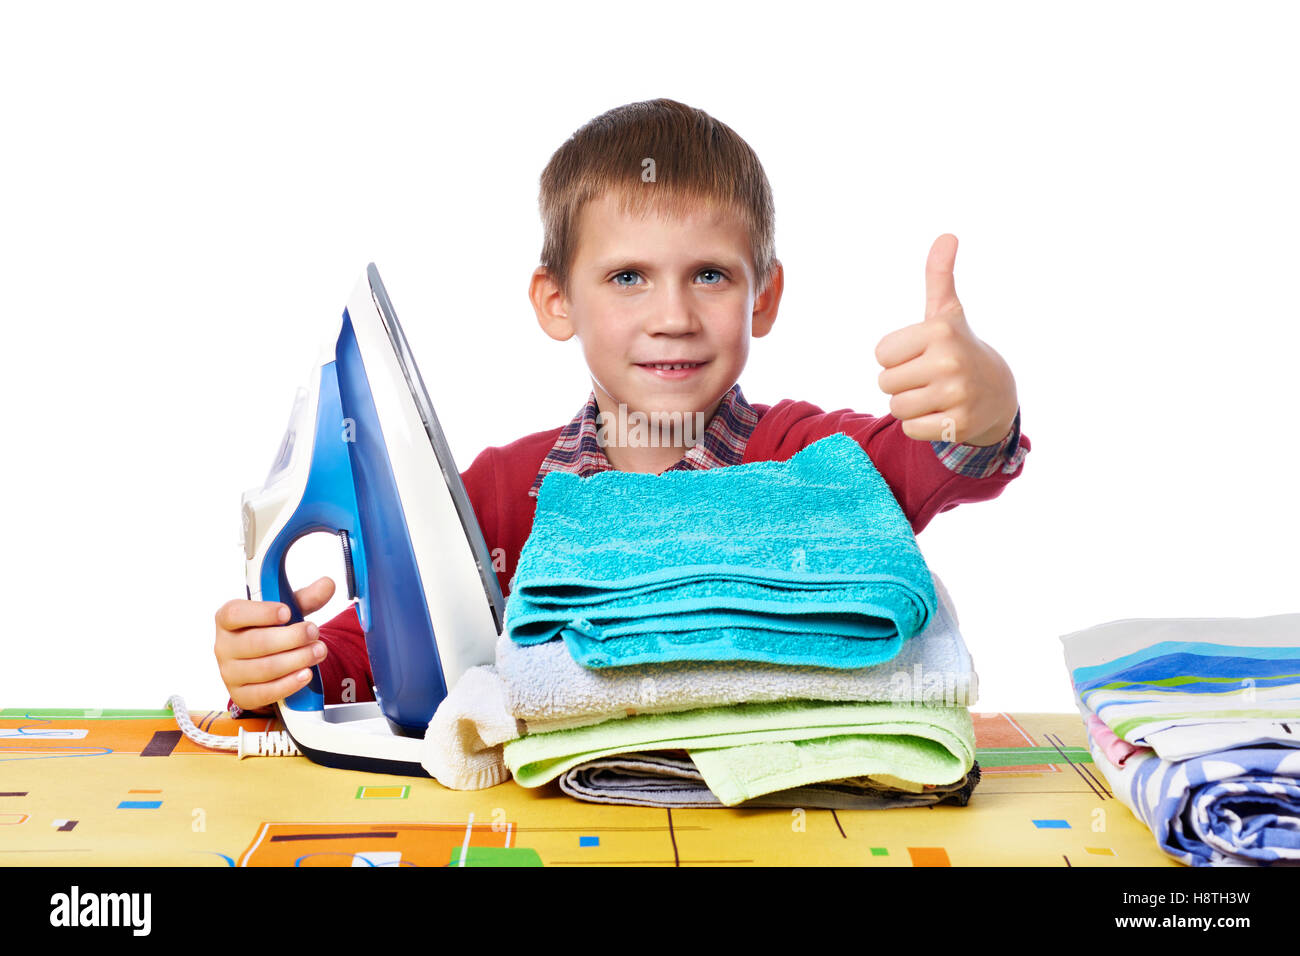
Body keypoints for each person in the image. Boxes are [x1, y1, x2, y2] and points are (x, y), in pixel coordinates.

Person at [214, 97, 1031, 716]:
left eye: (710, 274)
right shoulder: (505, 495)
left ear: (765, 297)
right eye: (627, 277)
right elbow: (404, 649)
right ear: (555, 300)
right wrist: (285, 663)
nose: (672, 315)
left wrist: (984, 406)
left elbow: (932, 458)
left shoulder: (809, 457)